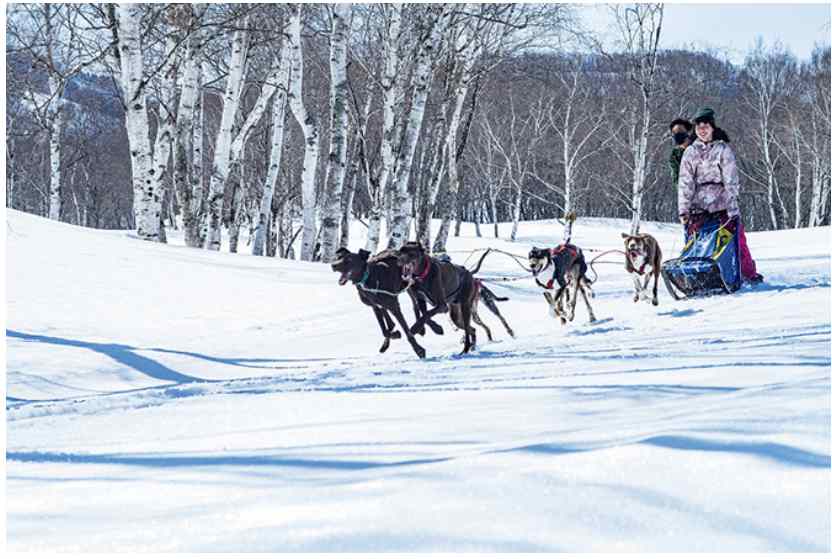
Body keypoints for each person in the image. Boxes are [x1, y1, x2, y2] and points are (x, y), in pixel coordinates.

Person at [677, 107, 763, 284]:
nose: (702, 130)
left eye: (705, 126)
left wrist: (732, 208)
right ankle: (695, 277)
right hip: (698, 205)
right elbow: (685, 182)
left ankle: (748, 273)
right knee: (696, 243)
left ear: (712, 128)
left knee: (736, 239)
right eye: (699, 127)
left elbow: (731, 180)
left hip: (722, 202)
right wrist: (683, 210)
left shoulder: (723, 149)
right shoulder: (690, 153)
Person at [669, 118, 694, 188]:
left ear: (687, 132)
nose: (677, 134)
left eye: (680, 130)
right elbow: (676, 178)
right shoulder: (674, 155)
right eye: (674, 132)